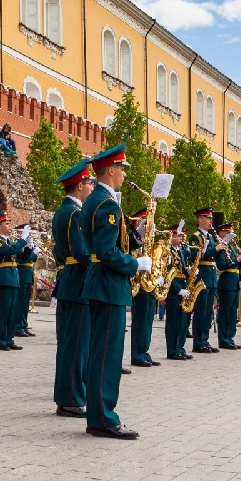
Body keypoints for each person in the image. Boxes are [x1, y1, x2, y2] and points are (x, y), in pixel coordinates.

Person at [80, 143, 148, 439]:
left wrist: (135, 239)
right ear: (111, 170)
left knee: (102, 354)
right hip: (108, 285)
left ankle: (100, 415)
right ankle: (104, 418)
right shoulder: (106, 203)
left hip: (103, 284)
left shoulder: (98, 199)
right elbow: (107, 251)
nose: (123, 174)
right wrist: (136, 263)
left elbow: (111, 243)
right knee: (107, 356)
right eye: (121, 169)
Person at [52, 160, 94, 415]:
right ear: (80, 185)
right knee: (76, 345)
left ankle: (72, 395)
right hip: (78, 281)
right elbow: (82, 252)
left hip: (71, 279)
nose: (91, 187)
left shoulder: (65, 210)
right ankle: (70, 399)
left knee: (73, 343)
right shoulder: (74, 213)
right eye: (89, 183)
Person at [127, 207, 159, 366]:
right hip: (139, 285)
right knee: (140, 322)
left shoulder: (149, 243)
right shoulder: (134, 242)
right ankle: (137, 354)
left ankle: (144, 351)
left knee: (148, 321)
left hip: (150, 284)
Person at [0, 213, 26, 350]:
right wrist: (22, 240)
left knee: (13, 311)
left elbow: (21, 257)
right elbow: (9, 250)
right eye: (6, 223)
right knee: (4, 311)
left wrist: (29, 246)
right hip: (5, 277)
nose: (9, 226)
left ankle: (9, 339)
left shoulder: (10, 241)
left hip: (14, 277)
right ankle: (1, 341)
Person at [187, 207, 218, 354]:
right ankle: (198, 342)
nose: (211, 221)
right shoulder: (195, 236)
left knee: (208, 312)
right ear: (200, 219)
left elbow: (212, 257)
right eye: (208, 218)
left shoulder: (210, 236)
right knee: (201, 310)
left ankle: (205, 340)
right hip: (202, 275)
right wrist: (215, 250)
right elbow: (195, 256)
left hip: (211, 275)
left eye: (211, 218)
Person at [214, 221, 241, 350]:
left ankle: (230, 337)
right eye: (227, 232)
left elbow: (234, 265)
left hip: (234, 282)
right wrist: (236, 260)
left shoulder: (231, 247)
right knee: (225, 312)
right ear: (221, 233)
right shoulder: (220, 247)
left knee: (233, 312)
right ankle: (224, 339)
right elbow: (221, 265)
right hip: (226, 282)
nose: (230, 235)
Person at [164, 225, 193, 360]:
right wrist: (177, 290)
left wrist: (189, 273)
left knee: (184, 321)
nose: (182, 238)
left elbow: (183, 269)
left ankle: (180, 347)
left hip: (184, 287)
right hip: (174, 289)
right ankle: (172, 350)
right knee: (173, 322)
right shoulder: (167, 252)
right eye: (179, 236)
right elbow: (167, 273)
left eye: (182, 236)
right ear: (172, 236)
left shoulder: (181, 251)